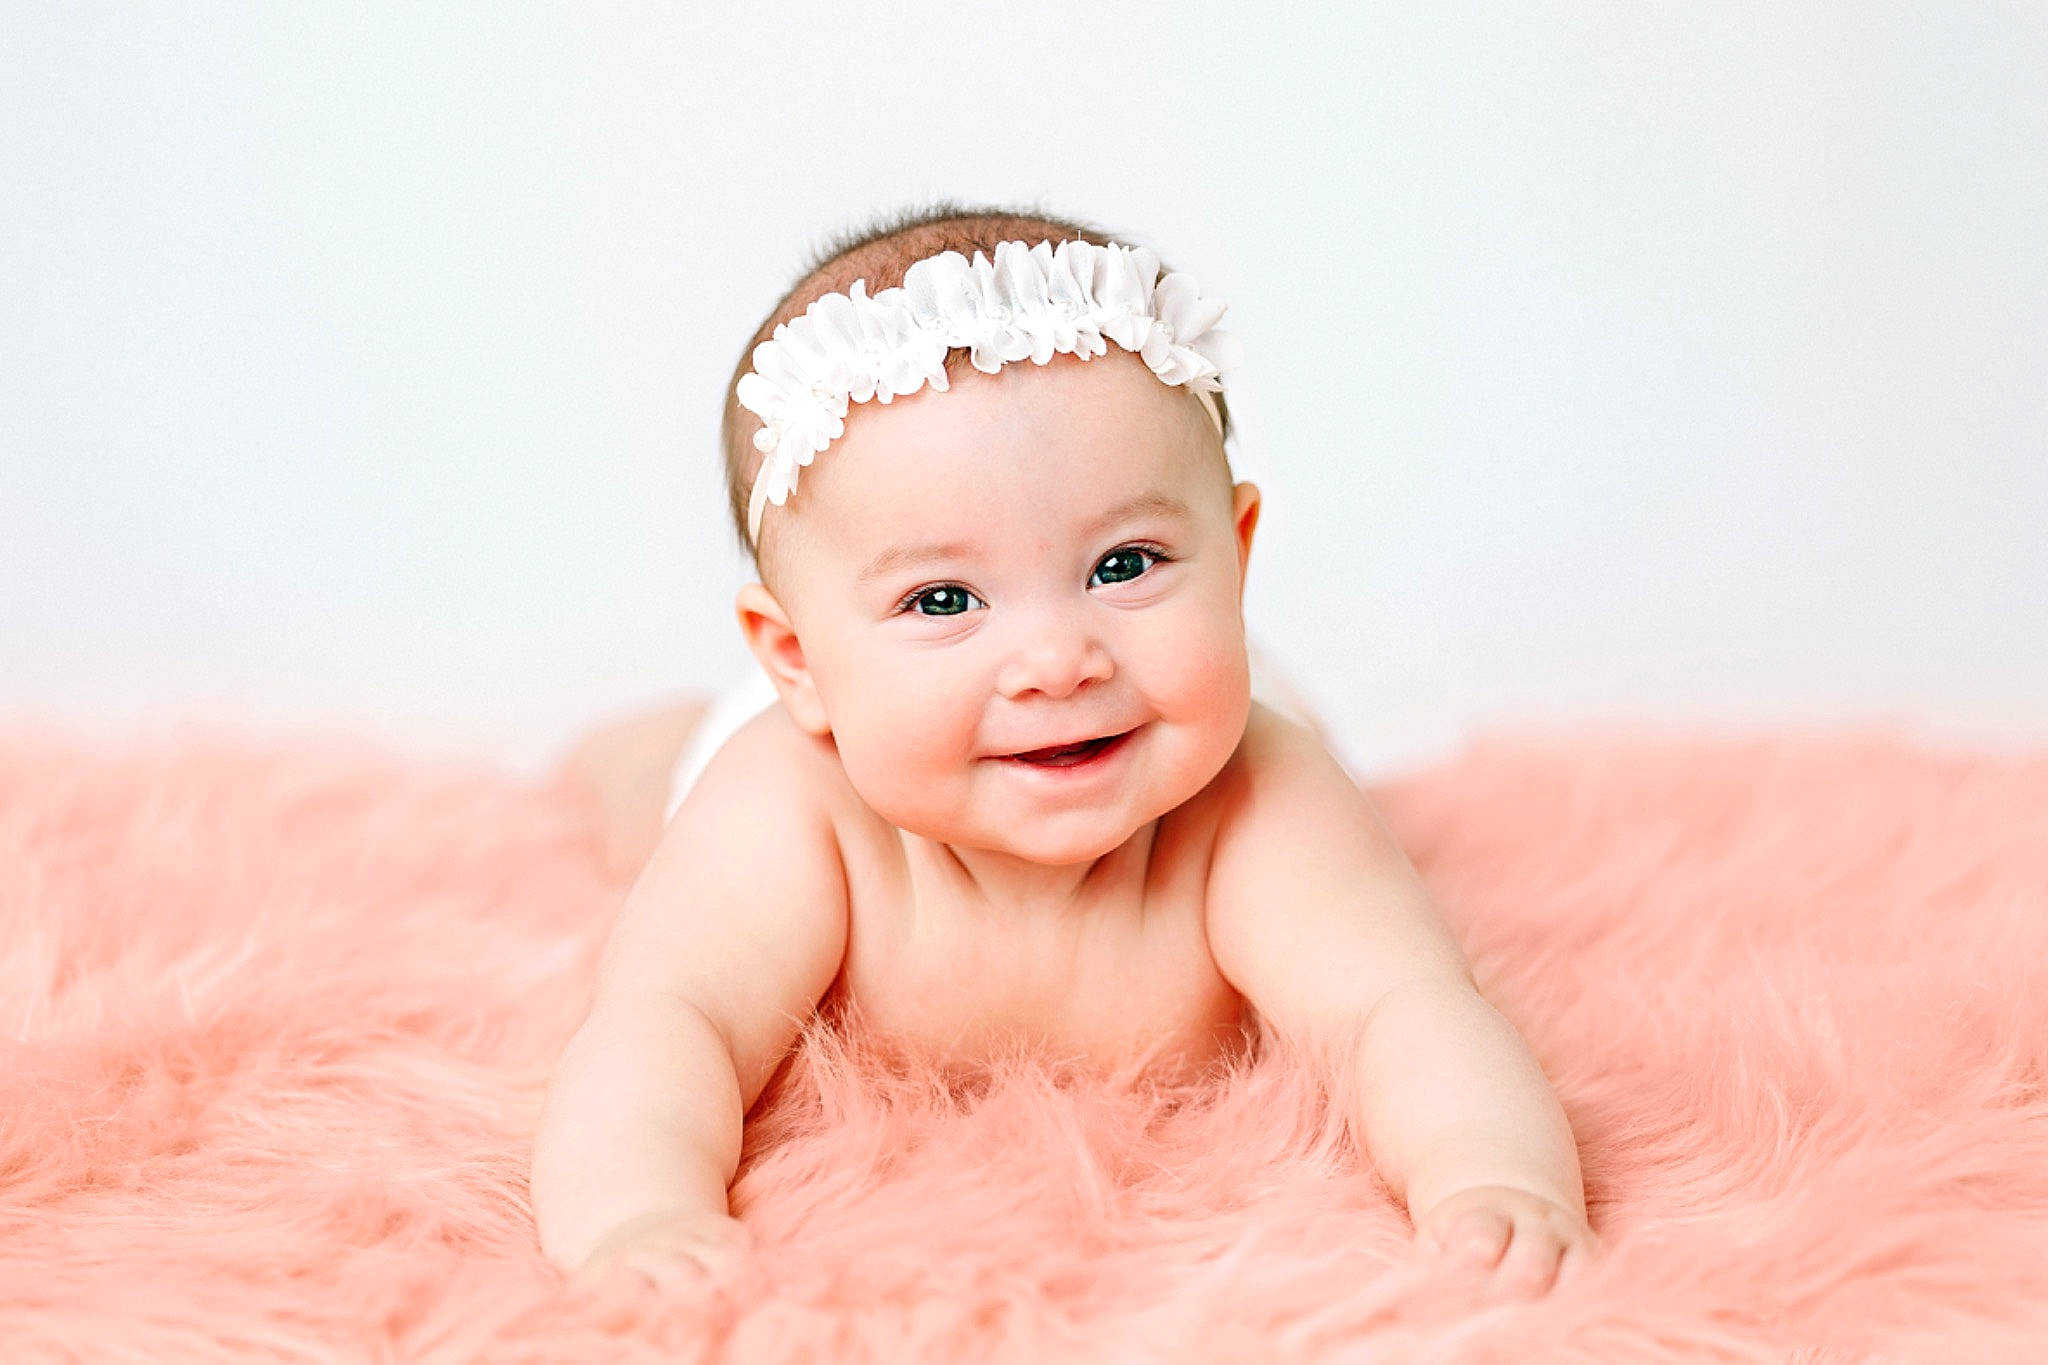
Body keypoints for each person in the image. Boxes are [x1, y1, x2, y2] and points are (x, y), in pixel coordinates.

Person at [531, 202, 1597, 1300]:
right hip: (832, 746)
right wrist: (637, 1213)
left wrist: (1489, 1180)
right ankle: (649, 738)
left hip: (1161, 723)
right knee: (651, 803)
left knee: (1298, 747)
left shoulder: (1250, 798)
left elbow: (1401, 1008)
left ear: (1233, 554)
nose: (1054, 657)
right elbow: (669, 1024)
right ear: (796, 658)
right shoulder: (786, 804)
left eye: (1124, 563)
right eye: (942, 597)